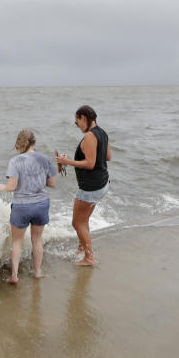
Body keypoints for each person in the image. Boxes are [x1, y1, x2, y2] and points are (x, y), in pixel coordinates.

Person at [0, 129, 57, 284]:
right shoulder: (44, 159)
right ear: (34, 142)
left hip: (22, 206)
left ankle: (15, 276)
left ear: (18, 144)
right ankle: (37, 272)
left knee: (17, 242)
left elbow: (11, 187)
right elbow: (52, 183)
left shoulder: (15, 161)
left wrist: (1, 187)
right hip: (41, 205)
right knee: (37, 239)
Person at [55, 105, 111, 267]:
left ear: (83, 118)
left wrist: (66, 162)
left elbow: (90, 163)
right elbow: (108, 156)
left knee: (77, 223)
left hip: (90, 188)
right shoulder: (103, 133)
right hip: (103, 184)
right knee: (84, 219)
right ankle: (81, 248)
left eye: (77, 121)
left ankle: (89, 257)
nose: (77, 125)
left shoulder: (89, 137)